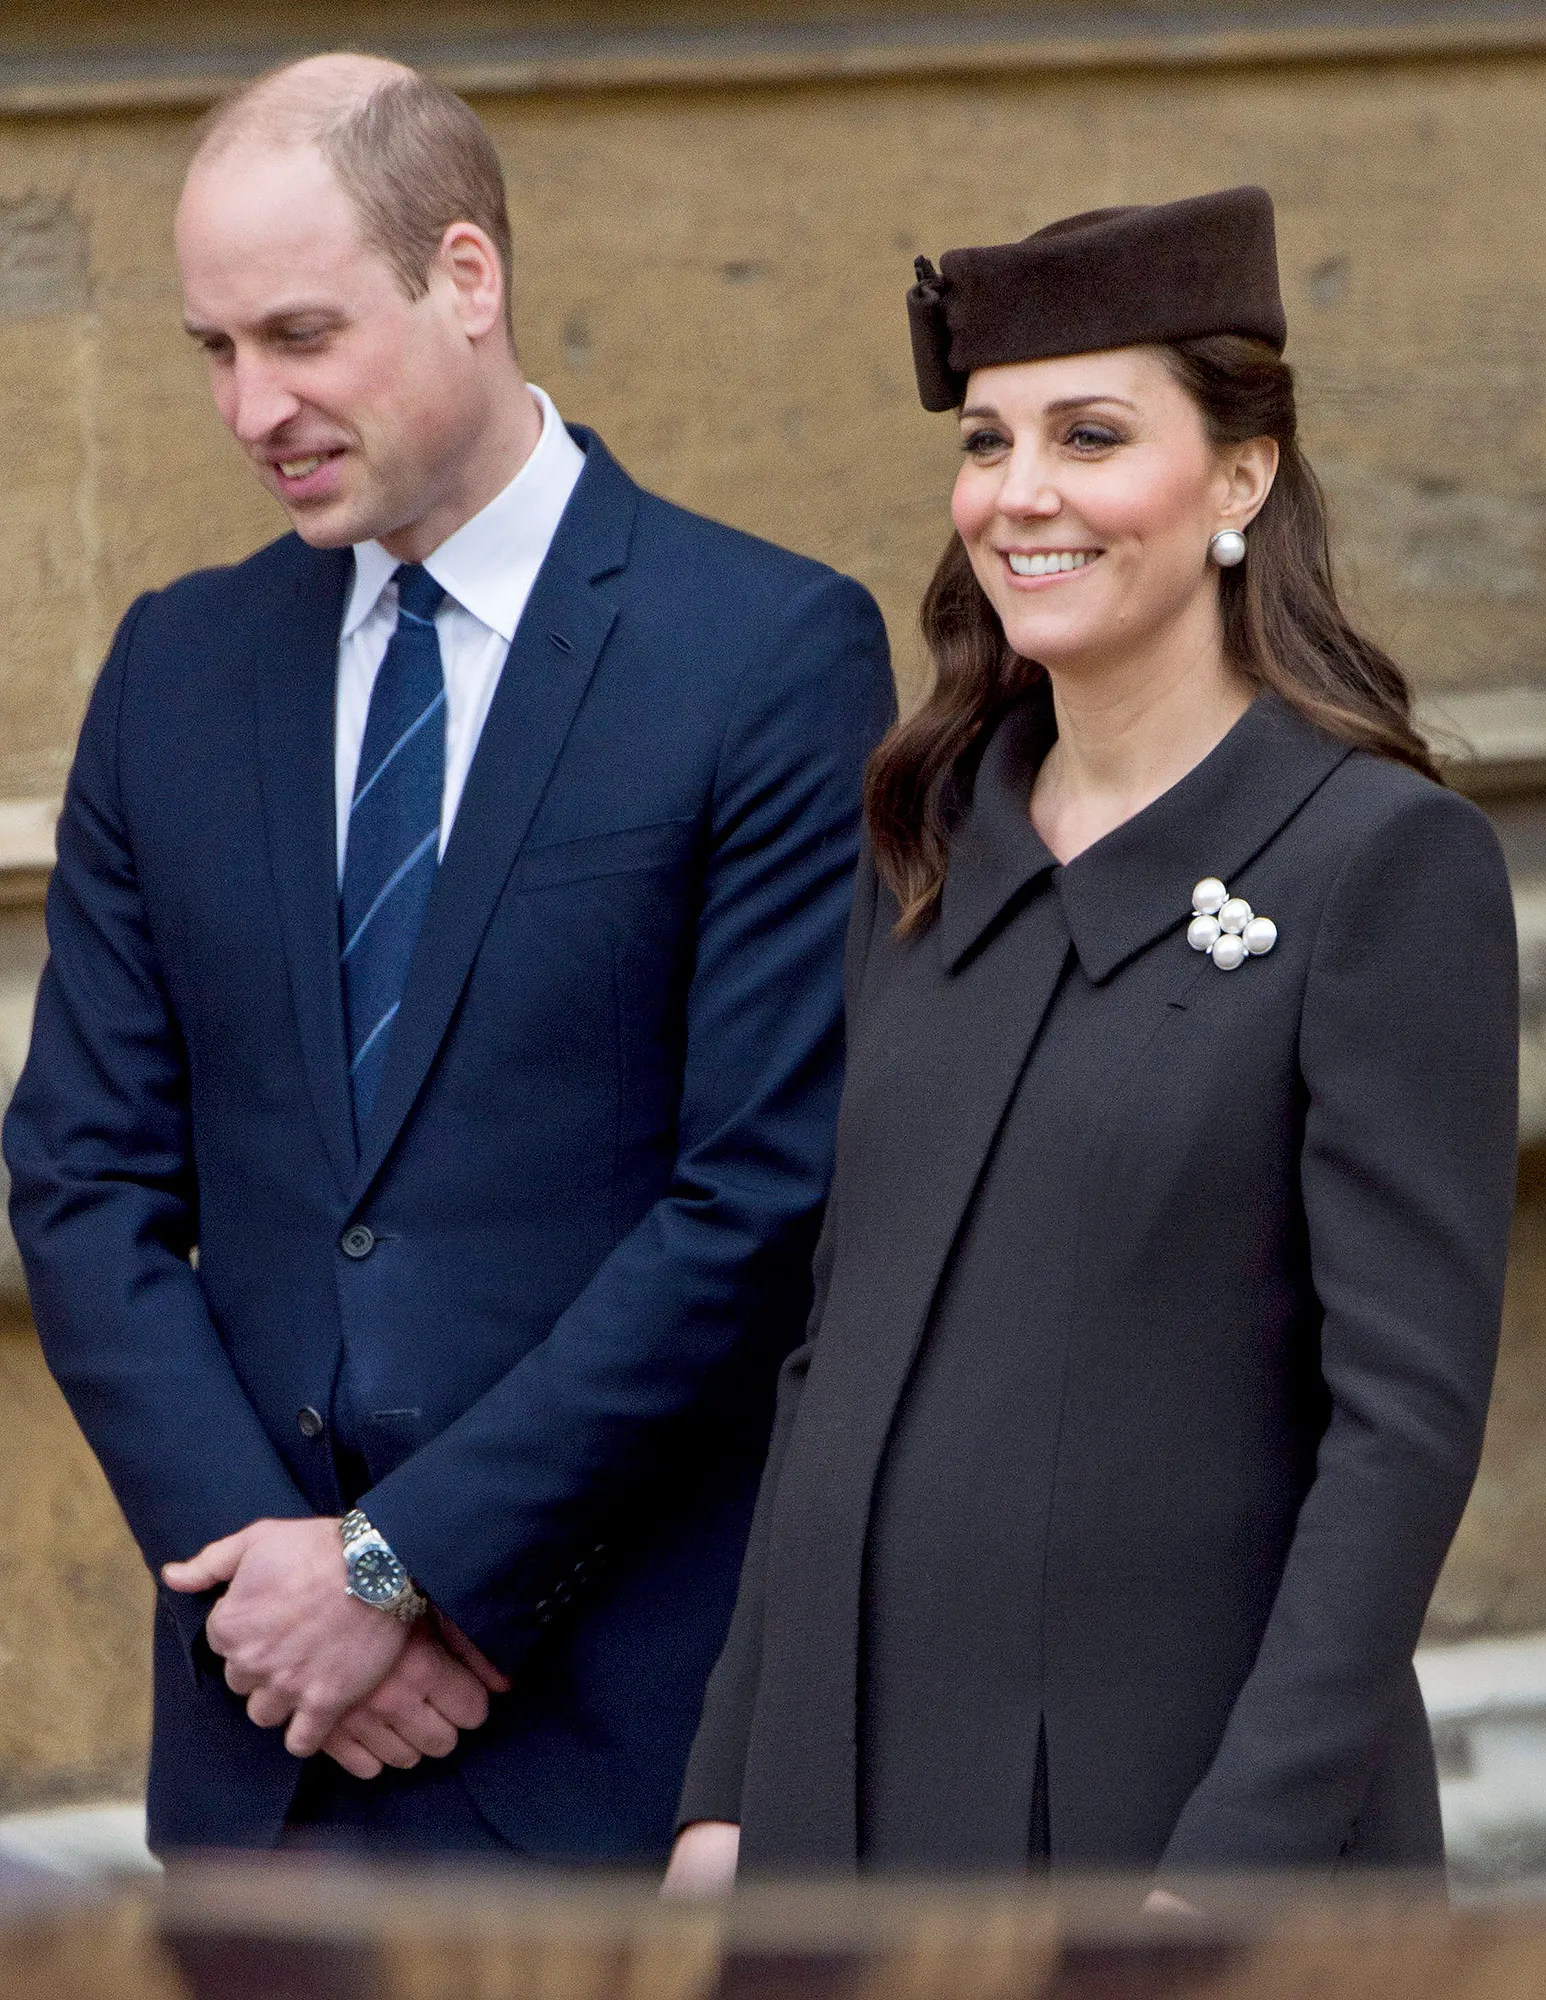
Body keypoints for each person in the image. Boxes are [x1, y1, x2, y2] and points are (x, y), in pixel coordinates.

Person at [4, 54, 893, 1860]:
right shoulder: (176, 670)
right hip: (271, 1755)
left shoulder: (767, 652)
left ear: (465, 278)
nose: (256, 404)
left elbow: (761, 1193)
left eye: (302, 334)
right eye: (212, 349)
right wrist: (282, 1599)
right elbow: (80, 1179)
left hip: (611, 1744)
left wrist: (407, 1570)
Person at [666, 187, 1518, 1894]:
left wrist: (1227, 1874)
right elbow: (834, 1349)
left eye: (1093, 432)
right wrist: (726, 1795)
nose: (1020, 492)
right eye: (987, 439)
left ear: (1243, 475)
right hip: (845, 1817)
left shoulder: (1378, 866)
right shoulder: (919, 839)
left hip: (1164, 1825)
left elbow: (1399, 1437)